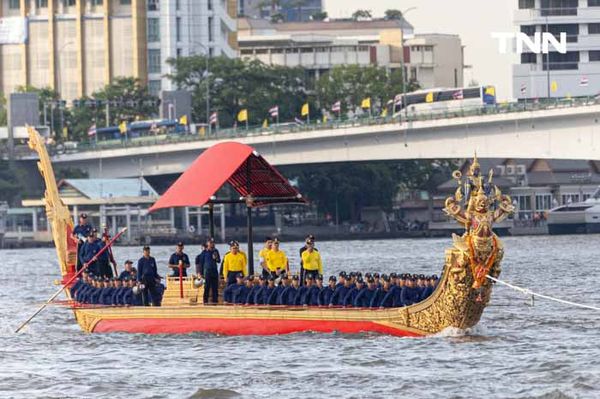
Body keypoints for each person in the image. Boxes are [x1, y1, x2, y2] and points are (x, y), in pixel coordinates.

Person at [196, 238, 221, 305]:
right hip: (207, 271)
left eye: (212, 243)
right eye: (210, 243)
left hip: (214, 270)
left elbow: (219, 261)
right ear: (207, 244)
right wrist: (200, 273)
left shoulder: (216, 251)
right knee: (207, 286)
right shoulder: (204, 252)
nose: (211, 244)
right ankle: (205, 301)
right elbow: (201, 263)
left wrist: (216, 258)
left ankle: (215, 301)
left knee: (215, 287)